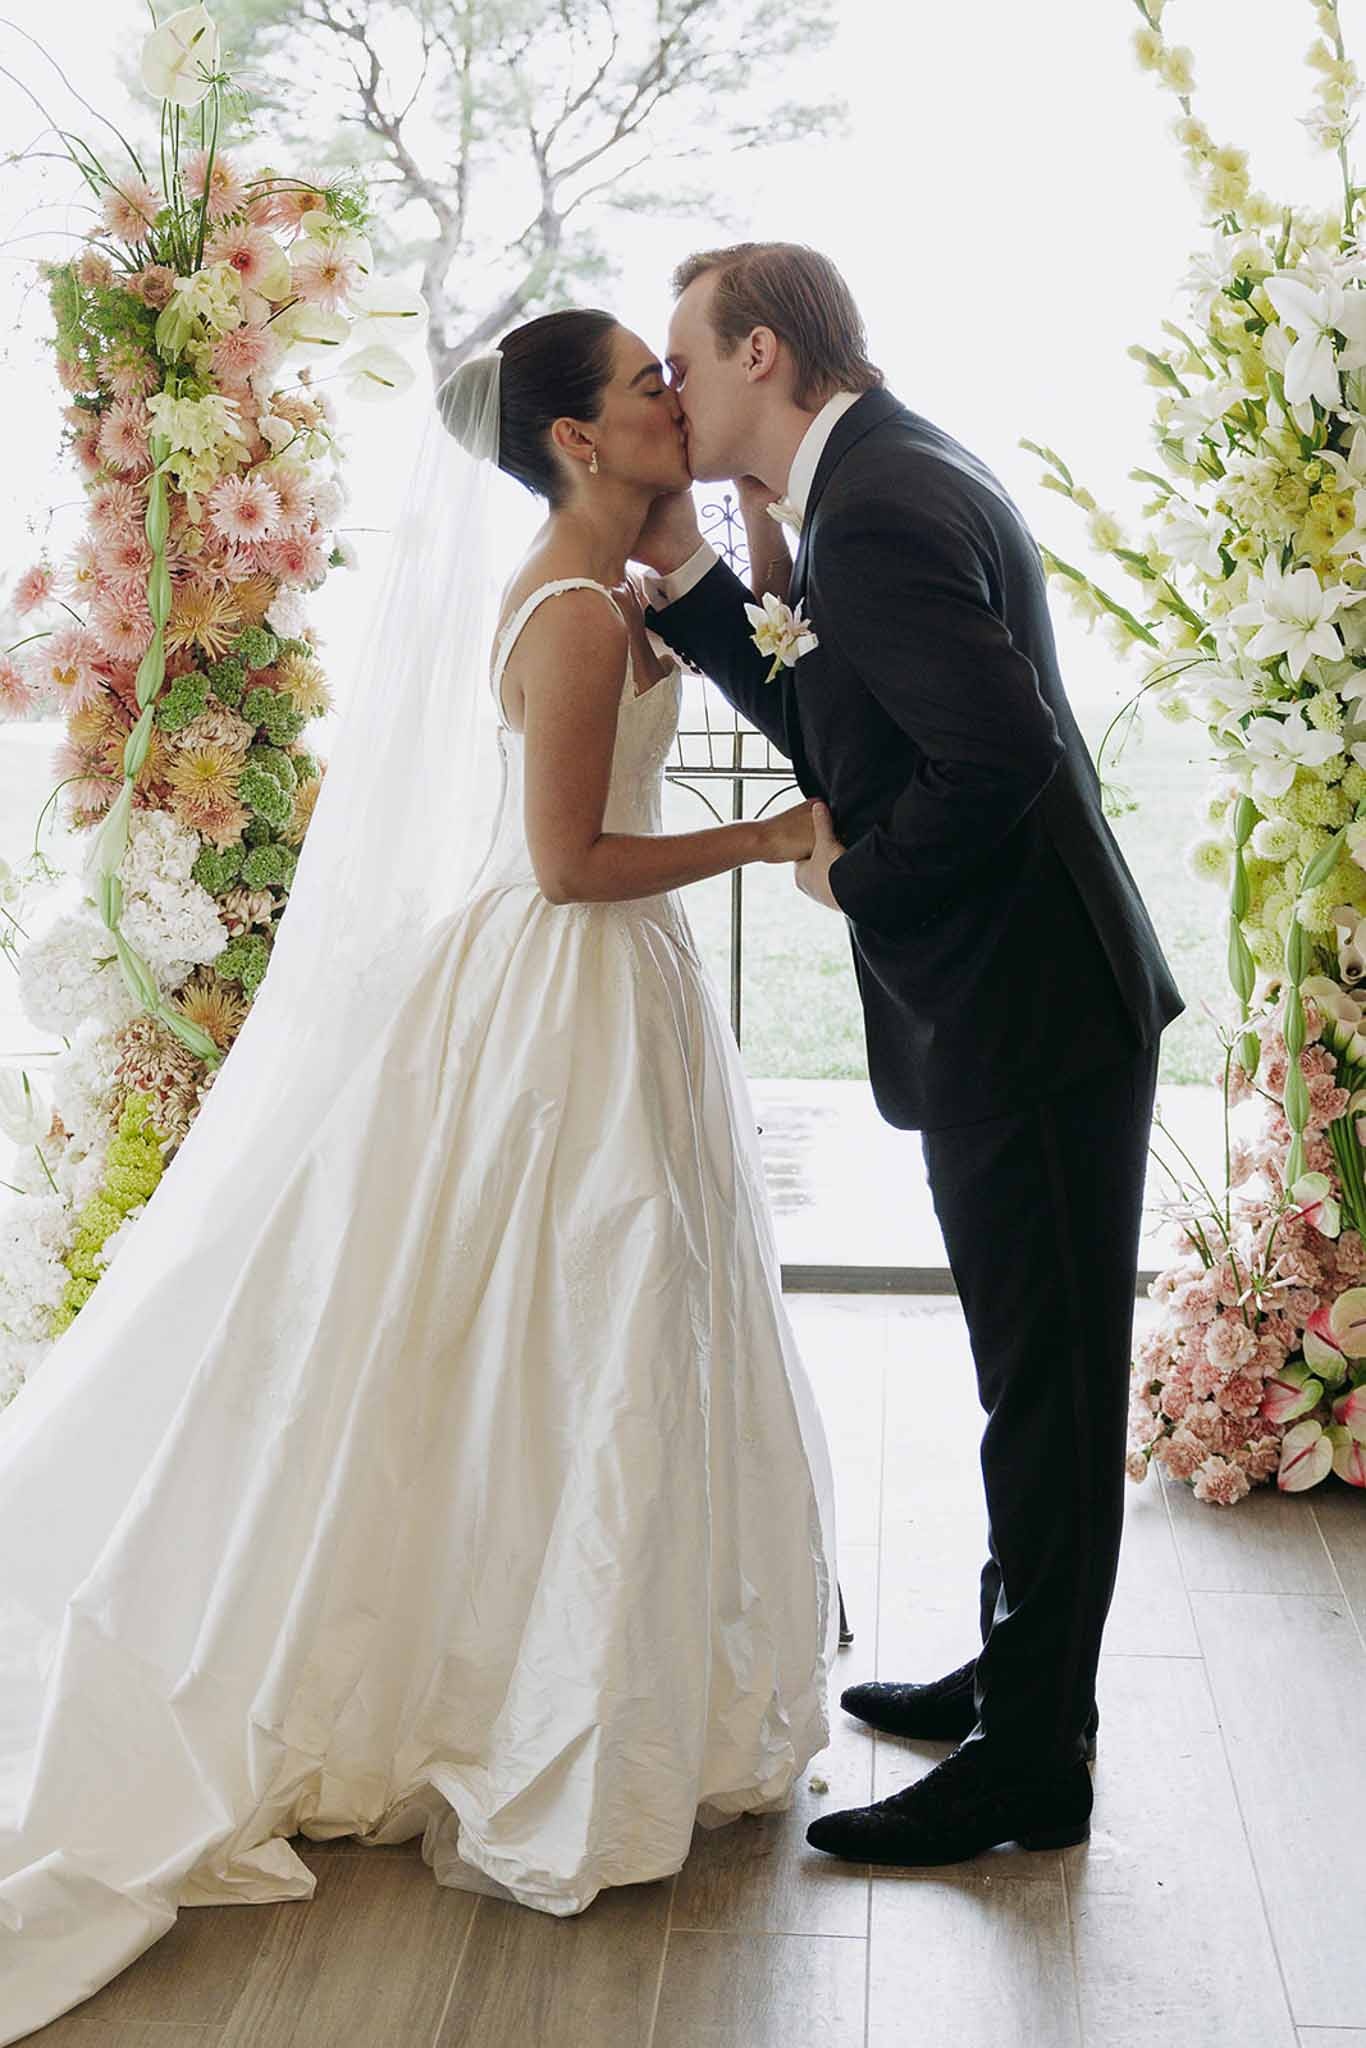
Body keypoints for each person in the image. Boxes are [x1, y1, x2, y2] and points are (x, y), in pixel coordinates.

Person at [0, 310, 838, 2044]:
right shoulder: (565, 609)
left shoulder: (616, 583)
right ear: (570, 442)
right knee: (578, 1328)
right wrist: (762, 836)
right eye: (638, 387)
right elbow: (564, 858)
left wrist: (715, 562)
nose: (670, 398)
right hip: (569, 1000)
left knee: (596, 1336)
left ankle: (595, 1678)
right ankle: (530, 1705)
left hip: (616, 1004)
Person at [635, 241, 1184, 1868]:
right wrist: (710, 600)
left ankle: (1033, 1766)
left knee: (1050, 1390)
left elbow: (994, 757)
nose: (667, 392)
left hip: (1033, 1014)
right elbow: (848, 719)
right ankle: (1016, 1679)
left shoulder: (874, 504)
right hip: (1026, 1004)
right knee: (1032, 1378)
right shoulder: (875, 474)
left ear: (755, 350)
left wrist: (845, 876)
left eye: (681, 360)